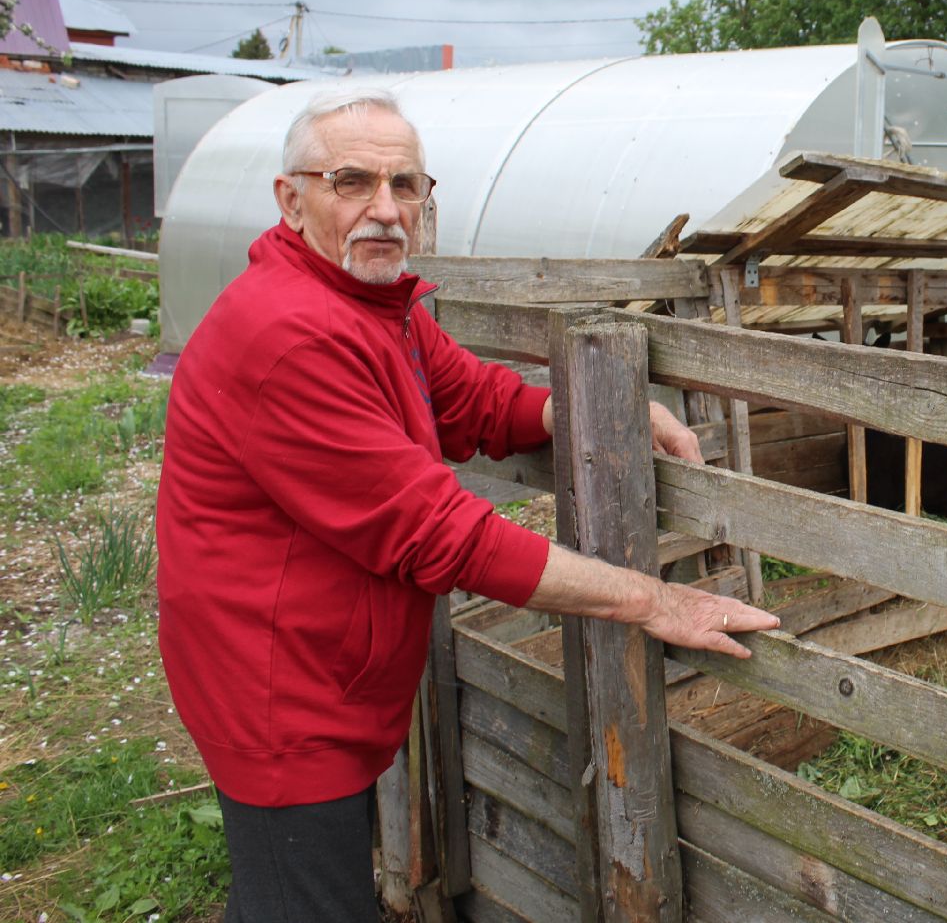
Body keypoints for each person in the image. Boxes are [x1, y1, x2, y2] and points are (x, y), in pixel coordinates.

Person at [155, 89, 777, 922]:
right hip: (278, 696)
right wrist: (655, 598)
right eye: (352, 182)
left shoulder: (380, 307)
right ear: (290, 199)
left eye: (405, 186)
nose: (385, 210)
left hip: (328, 675)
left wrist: (584, 411)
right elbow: (442, 536)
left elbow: (473, 399)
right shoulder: (288, 335)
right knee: (299, 904)